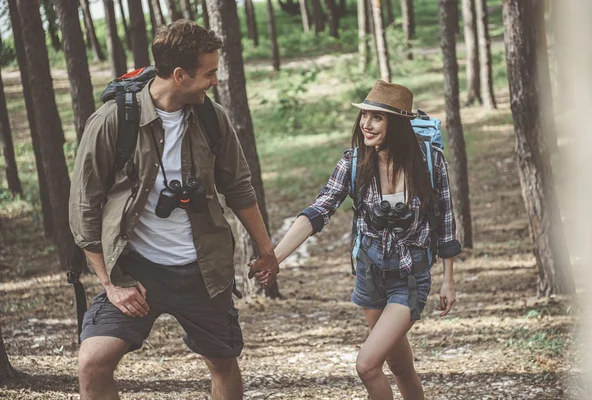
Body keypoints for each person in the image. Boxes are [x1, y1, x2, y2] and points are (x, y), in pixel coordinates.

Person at [69, 21, 278, 400]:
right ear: (180, 75)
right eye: (209, 73)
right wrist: (111, 284)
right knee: (92, 363)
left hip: (203, 268)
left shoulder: (213, 118)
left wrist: (266, 250)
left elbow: (239, 189)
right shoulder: (113, 122)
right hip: (136, 268)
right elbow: (84, 209)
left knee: (223, 363)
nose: (215, 80)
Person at [259, 81, 461, 399]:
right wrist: (274, 257)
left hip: (410, 277)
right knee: (399, 365)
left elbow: (446, 222)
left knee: (367, 365)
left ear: (397, 123)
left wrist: (448, 280)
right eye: (364, 115)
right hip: (370, 275)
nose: (366, 123)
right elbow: (317, 211)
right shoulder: (354, 162)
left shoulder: (429, 162)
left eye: (377, 117)